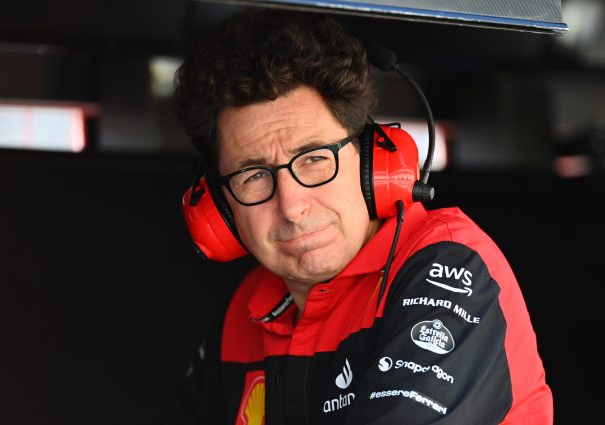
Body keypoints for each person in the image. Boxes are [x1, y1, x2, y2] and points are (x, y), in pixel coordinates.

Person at [173, 8, 553, 425]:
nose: (292, 207)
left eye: (315, 158)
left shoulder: (449, 268)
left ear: (372, 161)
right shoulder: (244, 313)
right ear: (220, 206)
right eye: (254, 176)